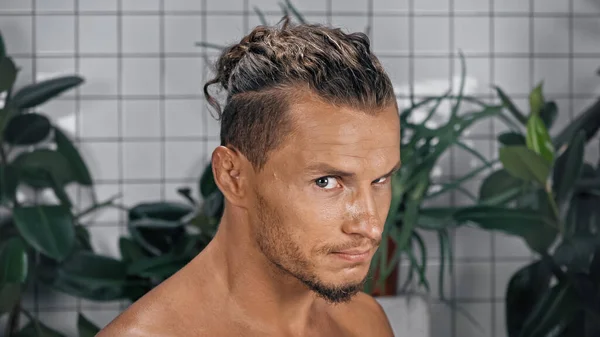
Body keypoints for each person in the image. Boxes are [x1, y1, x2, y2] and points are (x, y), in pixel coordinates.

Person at [97, 16, 400, 337]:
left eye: (380, 180)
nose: (370, 225)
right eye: (326, 182)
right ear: (233, 176)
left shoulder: (366, 323)